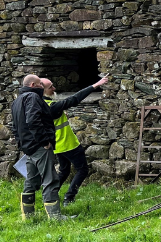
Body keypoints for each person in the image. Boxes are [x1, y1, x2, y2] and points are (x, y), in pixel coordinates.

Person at [40, 75, 109, 205]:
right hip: (68, 143)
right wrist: (96, 85)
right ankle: (69, 197)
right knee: (82, 170)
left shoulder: (40, 104)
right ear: (42, 90)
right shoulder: (52, 107)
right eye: (50, 87)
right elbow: (74, 99)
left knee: (64, 171)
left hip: (57, 146)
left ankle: (51, 195)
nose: (54, 88)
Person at [10, 74, 66, 220]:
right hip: (39, 146)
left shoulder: (17, 101)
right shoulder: (33, 98)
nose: (43, 86)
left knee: (31, 180)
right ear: (33, 85)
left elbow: (15, 127)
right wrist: (45, 142)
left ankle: (27, 216)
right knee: (50, 179)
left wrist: (22, 143)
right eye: (40, 84)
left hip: (28, 148)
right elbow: (33, 120)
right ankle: (55, 216)